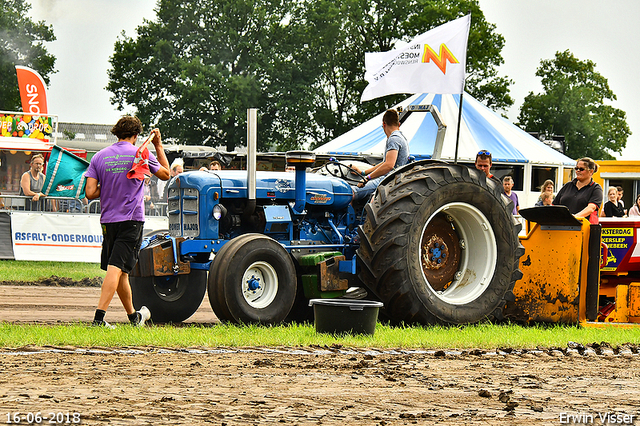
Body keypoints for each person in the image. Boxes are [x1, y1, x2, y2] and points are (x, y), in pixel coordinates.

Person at [85, 116, 171, 328]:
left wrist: (109, 186)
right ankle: (98, 319)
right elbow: (166, 174)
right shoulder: (140, 154)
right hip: (131, 220)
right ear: (136, 135)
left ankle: (134, 317)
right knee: (117, 268)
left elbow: (89, 192)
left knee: (122, 271)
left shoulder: (99, 157)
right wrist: (158, 145)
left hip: (108, 221)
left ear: (117, 133)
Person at [350, 109, 409, 202]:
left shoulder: (394, 139)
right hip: (393, 178)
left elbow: (389, 165)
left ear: (384, 124)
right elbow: (384, 163)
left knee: (350, 193)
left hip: (389, 179)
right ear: (399, 124)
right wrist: (363, 173)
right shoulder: (401, 138)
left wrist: (367, 179)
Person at [553, 157, 603, 224]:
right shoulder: (568, 186)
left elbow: (591, 208)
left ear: (591, 172)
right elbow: (554, 206)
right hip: (563, 226)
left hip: (584, 227)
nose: (578, 171)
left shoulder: (596, 188)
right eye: (576, 168)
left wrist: (574, 218)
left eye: (581, 169)